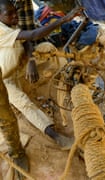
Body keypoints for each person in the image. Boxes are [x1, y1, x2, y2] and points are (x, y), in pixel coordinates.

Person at [0, 0, 82, 178]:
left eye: (15, 12)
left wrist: (30, 62)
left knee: (47, 47)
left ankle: (67, 87)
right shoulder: (1, 29)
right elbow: (33, 34)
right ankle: (55, 135)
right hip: (4, 80)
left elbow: (29, 39)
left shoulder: (11, 20)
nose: (15, 17)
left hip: (19, 67)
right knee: (24, 104)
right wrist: (64, 19)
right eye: (10, 14)